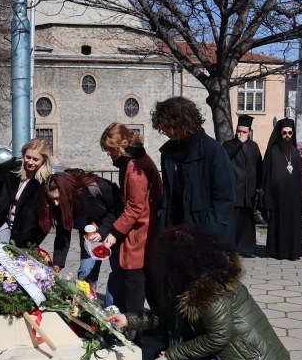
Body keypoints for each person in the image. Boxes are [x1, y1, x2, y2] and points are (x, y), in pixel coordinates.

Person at [106, 225, 290, 360]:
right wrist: (128, 320)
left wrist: (173, 355)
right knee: (173, 347)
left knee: (174, 359)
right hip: (236, 343)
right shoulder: (194, 278)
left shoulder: (210, 291)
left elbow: (217, 337)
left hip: (249, 351)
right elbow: (170, 316)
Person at [96, 123, 163, 314]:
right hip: (145, 231)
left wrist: (114, 233)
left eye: (110, 149)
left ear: (119, 146)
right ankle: (155, 330)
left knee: (135, 286)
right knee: (149, 285)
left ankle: (135, 332)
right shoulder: (139, 159)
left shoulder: (134, 168)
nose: (109, 154)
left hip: (140, 234)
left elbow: (135, 206)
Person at [152, 97, 235, 246]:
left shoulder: (213, 151)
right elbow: (169, 194)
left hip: (204, 235)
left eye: (167, 126)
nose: (164, 132)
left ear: (182, 123)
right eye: (162, 127)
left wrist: (207, 234)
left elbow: (224, 199)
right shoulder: (168, 153)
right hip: (175, 233)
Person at [40, 169, 124, 307]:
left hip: (113, 233)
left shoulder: (95, 187)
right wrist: (58, 262)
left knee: (117, 274)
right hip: (89, 239)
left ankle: (112, 313)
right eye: (51, 199)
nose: (55, 203)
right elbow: (63, 232)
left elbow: (118, 209)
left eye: (57, 198)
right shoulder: (61, 205)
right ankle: (88, 310)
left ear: (67, 192)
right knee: (85, 273)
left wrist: (103, 232)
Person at [261, 118, 302, 260]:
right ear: (279, 133)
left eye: (290, 133)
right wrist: (267, 196)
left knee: (292, 225)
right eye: (284, 133)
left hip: (293, 197)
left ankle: (293, 252)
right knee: (278, 224)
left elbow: (299, 175)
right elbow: (266, 175)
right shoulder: (272, 151)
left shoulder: (295, 152)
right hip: (277, 197)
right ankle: (277, 251)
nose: (287, 135)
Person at [223, 115, 262, 257]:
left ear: (249, 132)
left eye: (244, 132)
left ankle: (247, 249)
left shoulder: (254, 147)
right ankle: (231, 249)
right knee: (233, 222)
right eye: (239, 131)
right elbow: (225, 157)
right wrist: (238, 143)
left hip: (249, 192)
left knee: (247, 223)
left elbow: (259, 166)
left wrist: (259, 187)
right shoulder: (228, 145)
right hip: (235, 190)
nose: (241, 134)